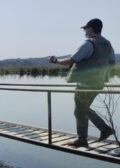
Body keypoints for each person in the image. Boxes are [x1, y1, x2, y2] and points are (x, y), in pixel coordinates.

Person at [49, 18, 116, 147]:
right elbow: (112, 63)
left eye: (86, 28)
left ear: (91, 29)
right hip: (99, 83)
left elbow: (72, 60)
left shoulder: (89, 44)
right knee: (81, 109)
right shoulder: (108, 44)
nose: (85, 31)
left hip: (85, 84)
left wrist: (55, 60)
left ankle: (90, 136)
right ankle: (89, 136)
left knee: (80, 110)